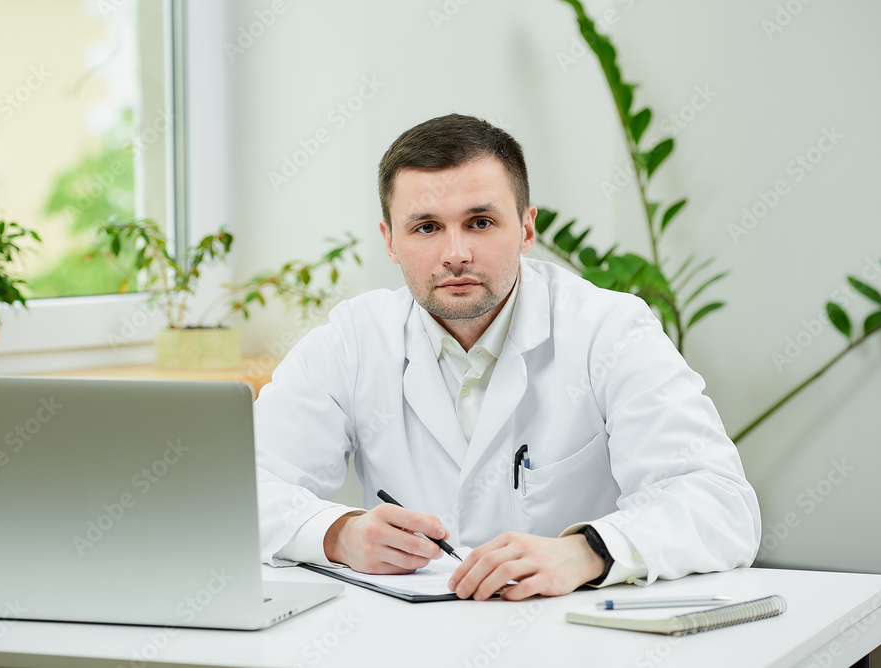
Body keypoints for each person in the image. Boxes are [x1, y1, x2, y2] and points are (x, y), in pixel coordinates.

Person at [254, 113, 760, 601]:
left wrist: (586, 553)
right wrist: (337, 534)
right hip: (407, 643)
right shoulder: (353, 340)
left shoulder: (610, 329)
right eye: (426, 227)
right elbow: (240, 490)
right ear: (390, 240)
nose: (456, 254)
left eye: (480, 222)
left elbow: (719, 503)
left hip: (574, 638)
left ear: (526, 228)